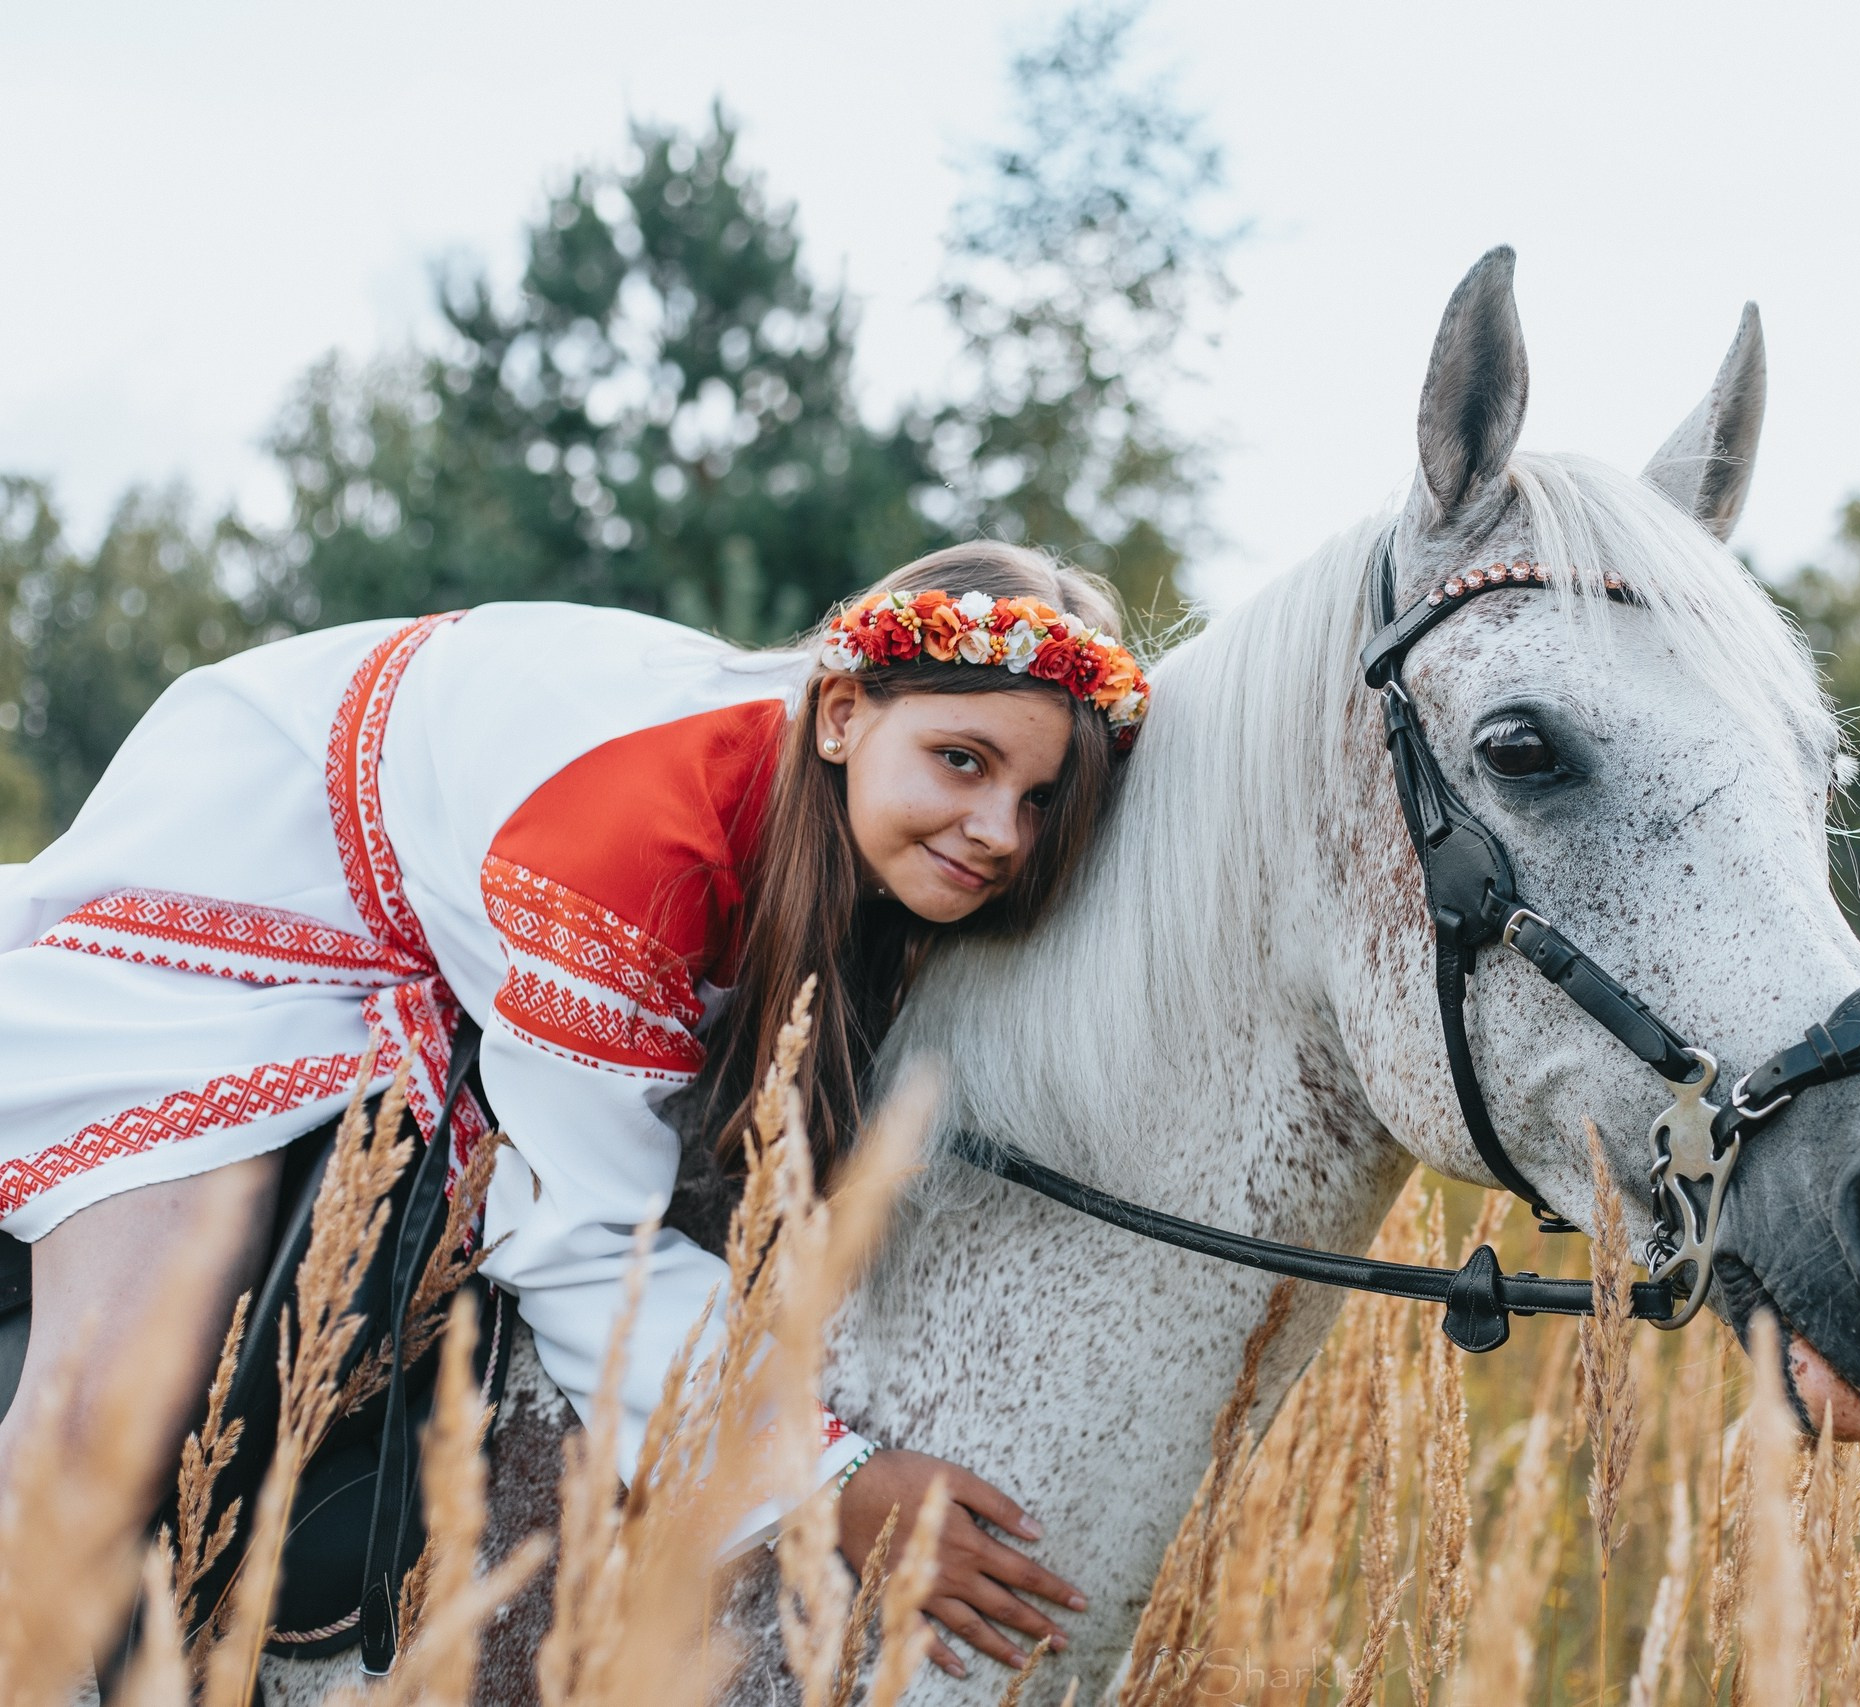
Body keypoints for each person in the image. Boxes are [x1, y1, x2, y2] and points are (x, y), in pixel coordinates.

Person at [0, 543, 1149, 1678]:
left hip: (463, 882)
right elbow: (584, 1241)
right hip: (262, 867)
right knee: (108, 1421)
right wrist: (827, 1481)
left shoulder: (845, 808)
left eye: (1040, 798)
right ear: (840, 714)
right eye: (962, 760)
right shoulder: (638, 850)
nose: (1003, 832)